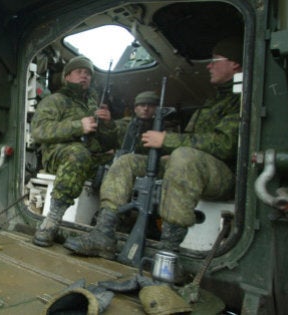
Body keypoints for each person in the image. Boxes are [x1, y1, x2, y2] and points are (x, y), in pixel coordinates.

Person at [64, 37, 243, 259]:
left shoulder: (241, 99)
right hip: (191, 165)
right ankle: (104, 233)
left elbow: (225, 144)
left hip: (224, 175)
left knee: (184, 157)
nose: (209, 65)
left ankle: (168, 253)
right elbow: (190, 139)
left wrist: (167, 141)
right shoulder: (214, 100)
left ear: (235, 63)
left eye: (215, 60)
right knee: (126, 161)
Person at [30, 56, 119, 247]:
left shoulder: (94, 105)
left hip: (91, 156)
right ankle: (52, 221)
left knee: (120, 164)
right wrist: (78, 126)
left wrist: (108, 124)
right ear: (67, 76)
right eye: (79, 72)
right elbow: (39, 131)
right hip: (59, 154)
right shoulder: (55, 100)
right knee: (78, 153)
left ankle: (103, 231)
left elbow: (109, 142)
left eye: (88, 74)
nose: (84, 76)